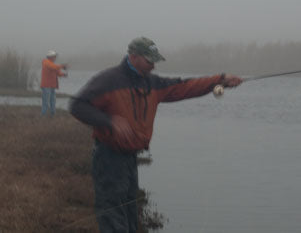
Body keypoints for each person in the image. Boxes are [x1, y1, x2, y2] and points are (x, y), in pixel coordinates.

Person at [69, 36, 242, 233]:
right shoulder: (108, 80)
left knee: (129, 216)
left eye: (155, 61)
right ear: (133, 57)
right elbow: (77, 105)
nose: (153, 65)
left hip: (130, 159)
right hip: (108, 157)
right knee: (112, 216)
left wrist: (220, 80)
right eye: (149, 60)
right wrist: (109, 121)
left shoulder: (152, 83)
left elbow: (185, 87)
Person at [40, 50, 67, 116]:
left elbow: (57, 72)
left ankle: (53, 114)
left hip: (52, 86)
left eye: (55, 56)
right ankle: (43, 115)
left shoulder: (52, 64)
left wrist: (63, 74)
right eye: (54, 56)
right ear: (50, 57)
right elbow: (54, 67)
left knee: (53, 101)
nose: (55, 58)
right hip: (46, 86)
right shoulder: (46, 62)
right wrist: (62, 66)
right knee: (46, 101)